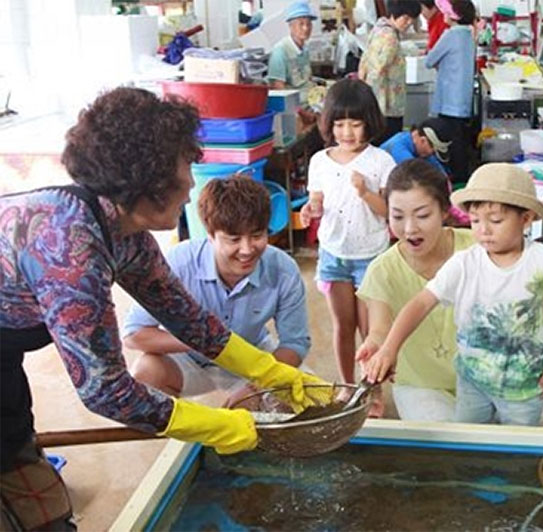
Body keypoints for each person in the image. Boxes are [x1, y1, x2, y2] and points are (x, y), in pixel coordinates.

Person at [0, 87, 329, 530]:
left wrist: (274, 373)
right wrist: (219, 426)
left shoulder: (125, 232)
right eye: (185, 168)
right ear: (149, 180)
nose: (193, 183)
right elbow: (106, 391)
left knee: (24, 473)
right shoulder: (71, 251)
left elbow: (193, 322)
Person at [356, 159, 543, 424]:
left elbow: (536, 290)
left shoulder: (482, 245)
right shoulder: (382, 269)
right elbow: (380, 327)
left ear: (445, 211)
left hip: (502, 373)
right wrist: (378, 347)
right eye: (397, 216)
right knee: (449, 442)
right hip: (425, 384)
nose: (410, 228)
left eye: (422, 215)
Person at [123, 175, 311, 400]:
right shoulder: (177, 263)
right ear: (210, 236)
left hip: (250, 355)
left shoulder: (283, 269)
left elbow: (295, 343)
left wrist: (257, 388)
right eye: (233, 239)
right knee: (145, 374)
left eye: (257, 235)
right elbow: (134, 334)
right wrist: (202, 341)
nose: (247, 249)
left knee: (302, 394)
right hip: (188, 359)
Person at [300, 79, 396, 384]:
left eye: (355, 124)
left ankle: (372, 390)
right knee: (343, 326)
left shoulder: (381, 161)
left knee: (371, 331)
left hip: (371, 256)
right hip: (333, 255)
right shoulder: (319, 161)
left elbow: (390, 215)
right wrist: (309, 210)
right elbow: (317, 201)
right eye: (339, 124)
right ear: (329, 124)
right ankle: (347, 386)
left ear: (369, 123)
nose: (347, 133)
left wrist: (366, 193)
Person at [425, 0, 476, 183]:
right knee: (460, 140)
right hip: (462, 97)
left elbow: (429, 60)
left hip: (449, 98)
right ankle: (462, 177)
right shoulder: (468, 35)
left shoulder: (450, 35)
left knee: (451, 142)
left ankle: (456, 180)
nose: (443, 14)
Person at [358, 0, 421, 144]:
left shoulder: (380, 28)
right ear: (394, 14)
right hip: (386, 102)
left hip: (377, 101)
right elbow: (377, 70)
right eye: (405, 18)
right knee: (389, 143)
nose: (409, 23)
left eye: (412, 19)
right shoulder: (390, 37)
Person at [267, 0, 317, 89]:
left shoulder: (305, 49)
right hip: (293, 100)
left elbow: (308, 79)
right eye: (301, 24)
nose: (305, 28)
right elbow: (278, 87)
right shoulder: (280, 51)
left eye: (309, 24)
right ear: (291, 26)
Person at [379, 117, 453, 175]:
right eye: (433, 151)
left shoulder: (423, 150)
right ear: (423, 140)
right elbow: (419, 178)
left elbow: (441, 174)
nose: (431, 154)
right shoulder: (398, 150)